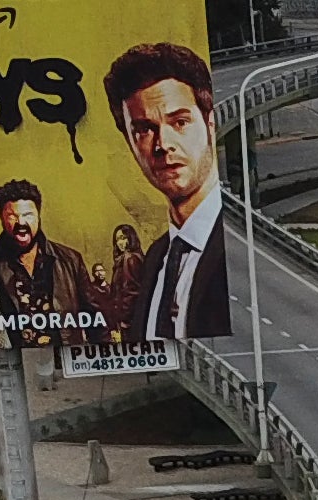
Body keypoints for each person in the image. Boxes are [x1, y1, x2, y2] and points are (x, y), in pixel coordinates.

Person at [107, 42, 229, 343]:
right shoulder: (156, 258)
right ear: (130, 143)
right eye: (144, 129)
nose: (163, 145)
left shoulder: (235, 248)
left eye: (180, 122)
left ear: (210, 124)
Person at [0, 179, 102, 346]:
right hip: (15, 367)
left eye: (27, 215)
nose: (21, 223)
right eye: (12, 216)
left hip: (64, 365)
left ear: (38, 215)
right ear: (1, 218)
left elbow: (97, 323)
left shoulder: (70, 261)